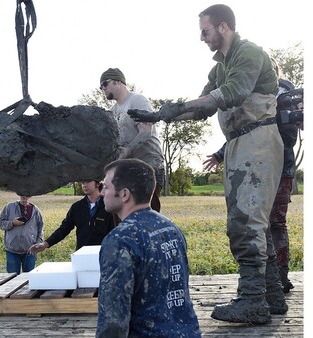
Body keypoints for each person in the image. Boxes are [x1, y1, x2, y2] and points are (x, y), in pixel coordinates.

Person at [128, 4, 286, 324]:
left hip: (258, 139)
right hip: (239, 144)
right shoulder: (218, 67)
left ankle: (253, 301)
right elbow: (203, 108)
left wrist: (175, 108)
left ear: (223, 27)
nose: (202, 38)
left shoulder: (249, 54)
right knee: (255, 220)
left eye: (205, 31)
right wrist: (162, 115)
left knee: (245, 222)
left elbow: (232, 93)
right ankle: (271, 294)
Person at [203, 72, 301, 294]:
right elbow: (246, 130)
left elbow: (282, 136)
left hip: (276, 166)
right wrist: (220, 154)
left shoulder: (280, 95)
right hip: (265, 165)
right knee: (263, 223)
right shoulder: (255, 97)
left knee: (272, 223)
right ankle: (273, 280)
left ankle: (278, 277)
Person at [97, 158, 201, 337]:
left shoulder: (120, 240)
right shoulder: (171, 227)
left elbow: (113, 321)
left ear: (124, 195)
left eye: (105, 187)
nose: (101, 193)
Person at [100, 67, 165, 212]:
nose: (102, 88)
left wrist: (127, 150)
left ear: (118, 81)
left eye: (105, 83)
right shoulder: (113, 111)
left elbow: (146, 132)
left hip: (149, 166)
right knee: (123, 218)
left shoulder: (137, 100)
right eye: (101, 86)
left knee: (146, 218)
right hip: (126, 170)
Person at [28, 180, 115, 254]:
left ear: (98, 183)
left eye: (88, 181)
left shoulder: (110, 206)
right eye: (82, 182)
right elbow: (64, 229)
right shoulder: (77, 207)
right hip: (82, 255)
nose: (84, 185)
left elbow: (116, 231)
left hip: (106, 255)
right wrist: (45, 244)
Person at [0, 195, 44, 274]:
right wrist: (12, 223)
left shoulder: (35, 210)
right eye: (22, 195)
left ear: (30, 196)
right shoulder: (9, 207)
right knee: (12, 279)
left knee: (29, 279)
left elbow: (40, 228)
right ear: (19, 195)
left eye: (26, 196)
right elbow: (0, 224)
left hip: (30, 251)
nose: (24, 198)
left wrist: (37, 243)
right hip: (12, 250)